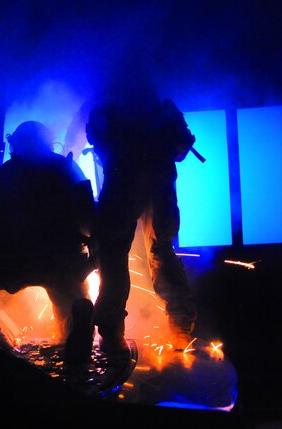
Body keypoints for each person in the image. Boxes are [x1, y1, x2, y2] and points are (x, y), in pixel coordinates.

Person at [0, 120, 97, 358]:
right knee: (73, 302)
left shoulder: (0, 177)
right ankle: (75, 326)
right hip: (62, 263)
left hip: (9, 267)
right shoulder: (67, 168)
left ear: (15, 144)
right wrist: (94, 255)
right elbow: (88, 222)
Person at [84, 86, 199, 357]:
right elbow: (181, 148)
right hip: (157, 188)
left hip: (122, 186)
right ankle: (180, 330)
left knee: (114, 257)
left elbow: (94, 136)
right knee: (161, 252)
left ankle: (112, 334)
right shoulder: (162, 106)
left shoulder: (107, 103)